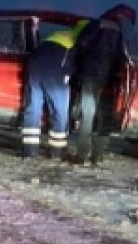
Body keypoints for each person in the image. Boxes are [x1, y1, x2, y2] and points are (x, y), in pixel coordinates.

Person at [69, 3, 138, 165]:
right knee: (105, 117)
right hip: (112, 80)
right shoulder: (128, 33)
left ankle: (81, 155)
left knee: (87, 115)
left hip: (90, 74)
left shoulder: (98, 24)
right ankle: (97, 156)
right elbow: (130, 57)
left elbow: (81, 42)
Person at [20, 20, 87, 159]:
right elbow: (80, 66)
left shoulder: (61, 34)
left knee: (33, 106)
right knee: (59, 109)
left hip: (34, 63)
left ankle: (29, 151)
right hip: (54, 69)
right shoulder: (81, 41)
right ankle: (57, 152)